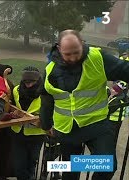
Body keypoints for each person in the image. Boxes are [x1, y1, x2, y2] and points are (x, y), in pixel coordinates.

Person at [40, 29, 129, 180]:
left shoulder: (97, 57)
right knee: (69, 171)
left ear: (82, 44)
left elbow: (125, 70)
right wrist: (46, 124)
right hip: (67, 129)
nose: (74, 57)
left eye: (77, 52)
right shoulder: (50, 70)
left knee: (108, 165)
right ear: (58, 48)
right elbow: (47, 99)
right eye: (68, 54)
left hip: (96, 123)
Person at [10, 66, 46, 180]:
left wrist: (40, 118)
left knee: (32, 162)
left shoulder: (45, 93)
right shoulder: (16, 90)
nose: (28, 85)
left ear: (38, 80)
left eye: (32, 82)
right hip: (18, 133)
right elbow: (10, 106)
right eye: (25, 82)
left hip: (36, 134)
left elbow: (51, 111)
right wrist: (13, 113)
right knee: (19, 165)